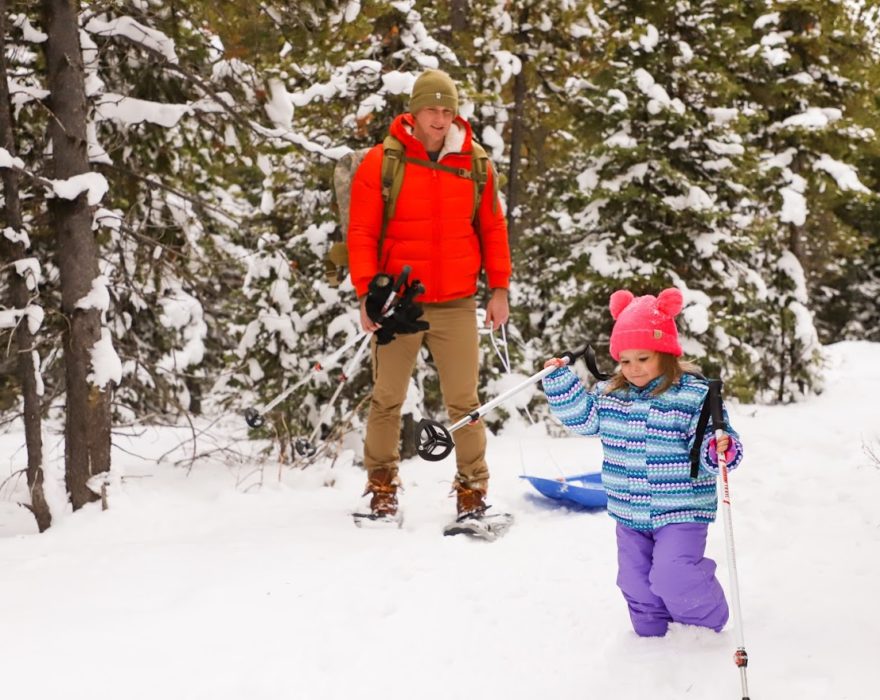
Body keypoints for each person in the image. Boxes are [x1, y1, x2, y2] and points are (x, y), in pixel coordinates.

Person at [347, 68, 511, 525]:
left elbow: (493, 228)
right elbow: (361, 231)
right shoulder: (383, 162)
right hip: (401, 303)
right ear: (414, 113)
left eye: (447, 110)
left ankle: (472, 491)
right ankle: (382, 487)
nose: (439, 119)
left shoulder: (475, 163)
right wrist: (366, 294)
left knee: (465, 402)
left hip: (457, 300)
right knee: (387, 397)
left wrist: (499, 288)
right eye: (431, 110)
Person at [542, 288, 743, 637]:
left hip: (681, 509)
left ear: (666, 353)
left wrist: (719, 448)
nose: (633, 369)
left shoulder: (693, 396)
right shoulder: (611, 395)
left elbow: (713, 437)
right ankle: (652, 637)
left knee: (673, 573)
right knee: (633, 580)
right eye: (625, 361)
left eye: (643, 358)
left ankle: (705, 629)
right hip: (629, 510)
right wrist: (560, 381)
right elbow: (583, 419)